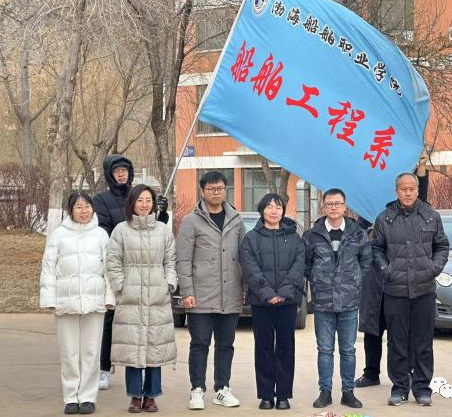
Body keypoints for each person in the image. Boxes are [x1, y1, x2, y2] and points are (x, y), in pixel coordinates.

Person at [370, 173, 449, 407]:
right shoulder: (385, 218)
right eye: (403, 189)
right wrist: (387, 270)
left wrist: (433, 268)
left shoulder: (431, 216)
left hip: (424, 289)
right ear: (396, 191)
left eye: (412, 188)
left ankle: (423, 389)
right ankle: (400, 388)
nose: (407, 193)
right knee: (397, 342)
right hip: (395, 290)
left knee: (423, 342)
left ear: (417, 190)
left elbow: (442, 246)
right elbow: (376, 249)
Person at [93, 155, 169, 390]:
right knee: (112, 321)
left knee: (146, 326)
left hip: (147, 268)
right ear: (109, 174)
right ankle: (105, 368)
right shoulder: (102, 199)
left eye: (125, 169)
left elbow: (156, 228)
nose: (121, 174)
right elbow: (103, 230)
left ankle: (146, 374)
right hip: (120, 264)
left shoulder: (138, 195)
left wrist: (162, 213)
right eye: (117, 171)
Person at [356, 152, 430, 388]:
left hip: (401, 277)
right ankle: (371, 372)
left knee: (403, 330)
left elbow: (422, 200)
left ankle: (406, 372)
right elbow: (361, 242)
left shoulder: (403, 211)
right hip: (374, 277)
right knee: (373, 327)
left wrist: (421, 168)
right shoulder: (366, 214)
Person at [176, 171, 247, 410]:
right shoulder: (191, 221)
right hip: (201, 295)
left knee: (226, 345)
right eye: (211, 189)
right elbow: (183, 260)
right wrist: (187, 291)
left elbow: (244, 256)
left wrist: (245, 287)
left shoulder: (235, 220)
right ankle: (197, 390)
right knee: (199, 344)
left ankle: (222, 389)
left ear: (225, 190)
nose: (216, 192)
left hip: (230, 295)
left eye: (220, 188)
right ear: (202, 191)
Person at [39, 192, 115, 415]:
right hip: (66, 301)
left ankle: (88, 397)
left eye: (87, 206)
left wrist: (110, 297)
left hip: (95, 301)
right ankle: (71, 396)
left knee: (91, 351)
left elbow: (110, 270)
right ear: (70, 210)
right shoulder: (58, 235)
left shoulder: (101, 235)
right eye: (79, 207)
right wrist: (49, 299)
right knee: (69, 352)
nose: (84, 211)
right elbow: (48, 269)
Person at [105, 184, 177, 413]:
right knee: (133, 347)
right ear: (132, 203)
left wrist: (169, 284)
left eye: (148, 201)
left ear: (153, 204)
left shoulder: (163, 230)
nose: (145, 205)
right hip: (131, 296)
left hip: (157, 295)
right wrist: (121, 287)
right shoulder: (120, 230)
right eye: (140, 200)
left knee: (154, 347)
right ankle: (136, 396)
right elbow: (113, 262)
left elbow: (170, 261)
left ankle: (152, 395)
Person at [303, 188, 372, 409]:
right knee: (324, 349)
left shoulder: (357, 233)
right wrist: (317, 279)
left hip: (349, 302)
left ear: (344, 206)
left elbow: (366, 261)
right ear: (324, 206)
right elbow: (305, 265)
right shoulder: (312, 235)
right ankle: (325, 391)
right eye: (329, 203)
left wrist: (354, 281)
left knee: (348, 350)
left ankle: (348, 391)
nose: (334, 207)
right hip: (323, 302)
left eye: (338, 203)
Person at [240, 194, 305, 410]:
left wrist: (283, 293)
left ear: (283, 211)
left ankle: (284, 395)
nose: (274, 211)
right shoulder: (251, 238)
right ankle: (266, 395)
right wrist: (268, 293)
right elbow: (250, 268)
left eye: (278, 207)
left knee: (286, 347)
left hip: (287, 302)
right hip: (262, 302)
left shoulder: (294, 238)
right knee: (264, 348)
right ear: (262, 211)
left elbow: (298, 267)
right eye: (269, 207)